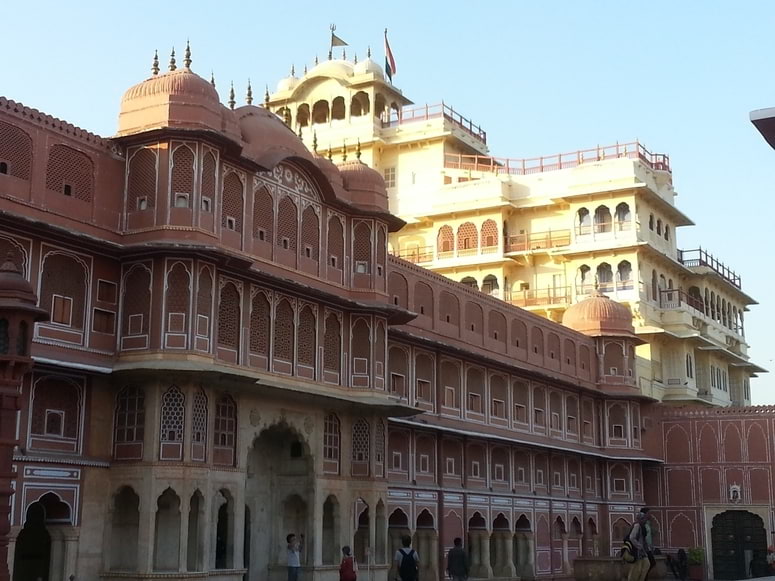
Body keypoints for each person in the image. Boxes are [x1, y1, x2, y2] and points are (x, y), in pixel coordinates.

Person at [627, 512, 650, 581]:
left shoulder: (643, 527)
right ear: (639, 519)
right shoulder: (637, 526)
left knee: (646, 565)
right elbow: (632, 537)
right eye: (643, 519)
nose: (645, 520)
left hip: (642, 552)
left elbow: (643, 538)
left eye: (645, 519)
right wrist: (639, 546)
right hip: (637, 551)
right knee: (637, 570)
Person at [640, 508, 656, 578]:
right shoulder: (641, 524)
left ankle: (644, 576)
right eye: (649, 513)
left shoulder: (647, 523)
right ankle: (642, 576)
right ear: (645, 514)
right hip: (644, 548)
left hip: (647, 547)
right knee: (651, 563)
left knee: (650, 563)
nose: (650, 515)